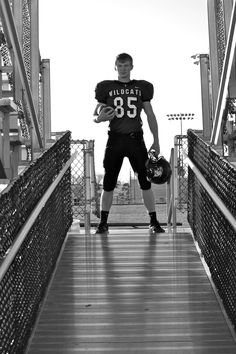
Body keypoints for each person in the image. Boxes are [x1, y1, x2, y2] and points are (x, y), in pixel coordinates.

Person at [93, 53, 165, 234]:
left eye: (126, 66)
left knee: (145, 181)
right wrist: (99, 118)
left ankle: (153, 221)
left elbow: (150, 114)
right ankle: (103, 223)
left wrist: (156, 140)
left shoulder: (142, 88)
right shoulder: (105, 88)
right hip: (115, 139)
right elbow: (95, 114)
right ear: (115, 66)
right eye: (120, 65)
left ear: (131, 67)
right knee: (109, 182)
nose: (123, 69)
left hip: (135, 140)